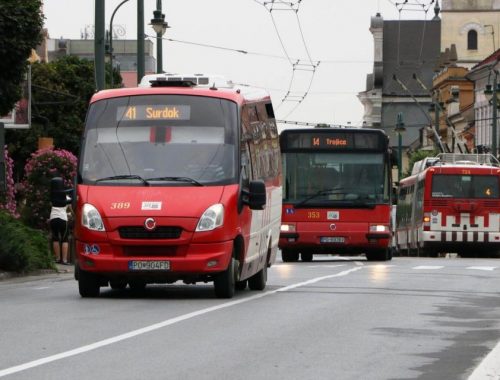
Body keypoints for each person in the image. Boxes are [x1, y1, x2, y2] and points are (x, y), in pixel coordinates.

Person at [49, 176, 73, 265]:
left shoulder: (51, 195)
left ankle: (58, 259)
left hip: (53, 218)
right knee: (65, 239)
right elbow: (70, 206)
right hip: (63, 219)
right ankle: (65, 260)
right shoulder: (66, 197)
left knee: (55, 238)